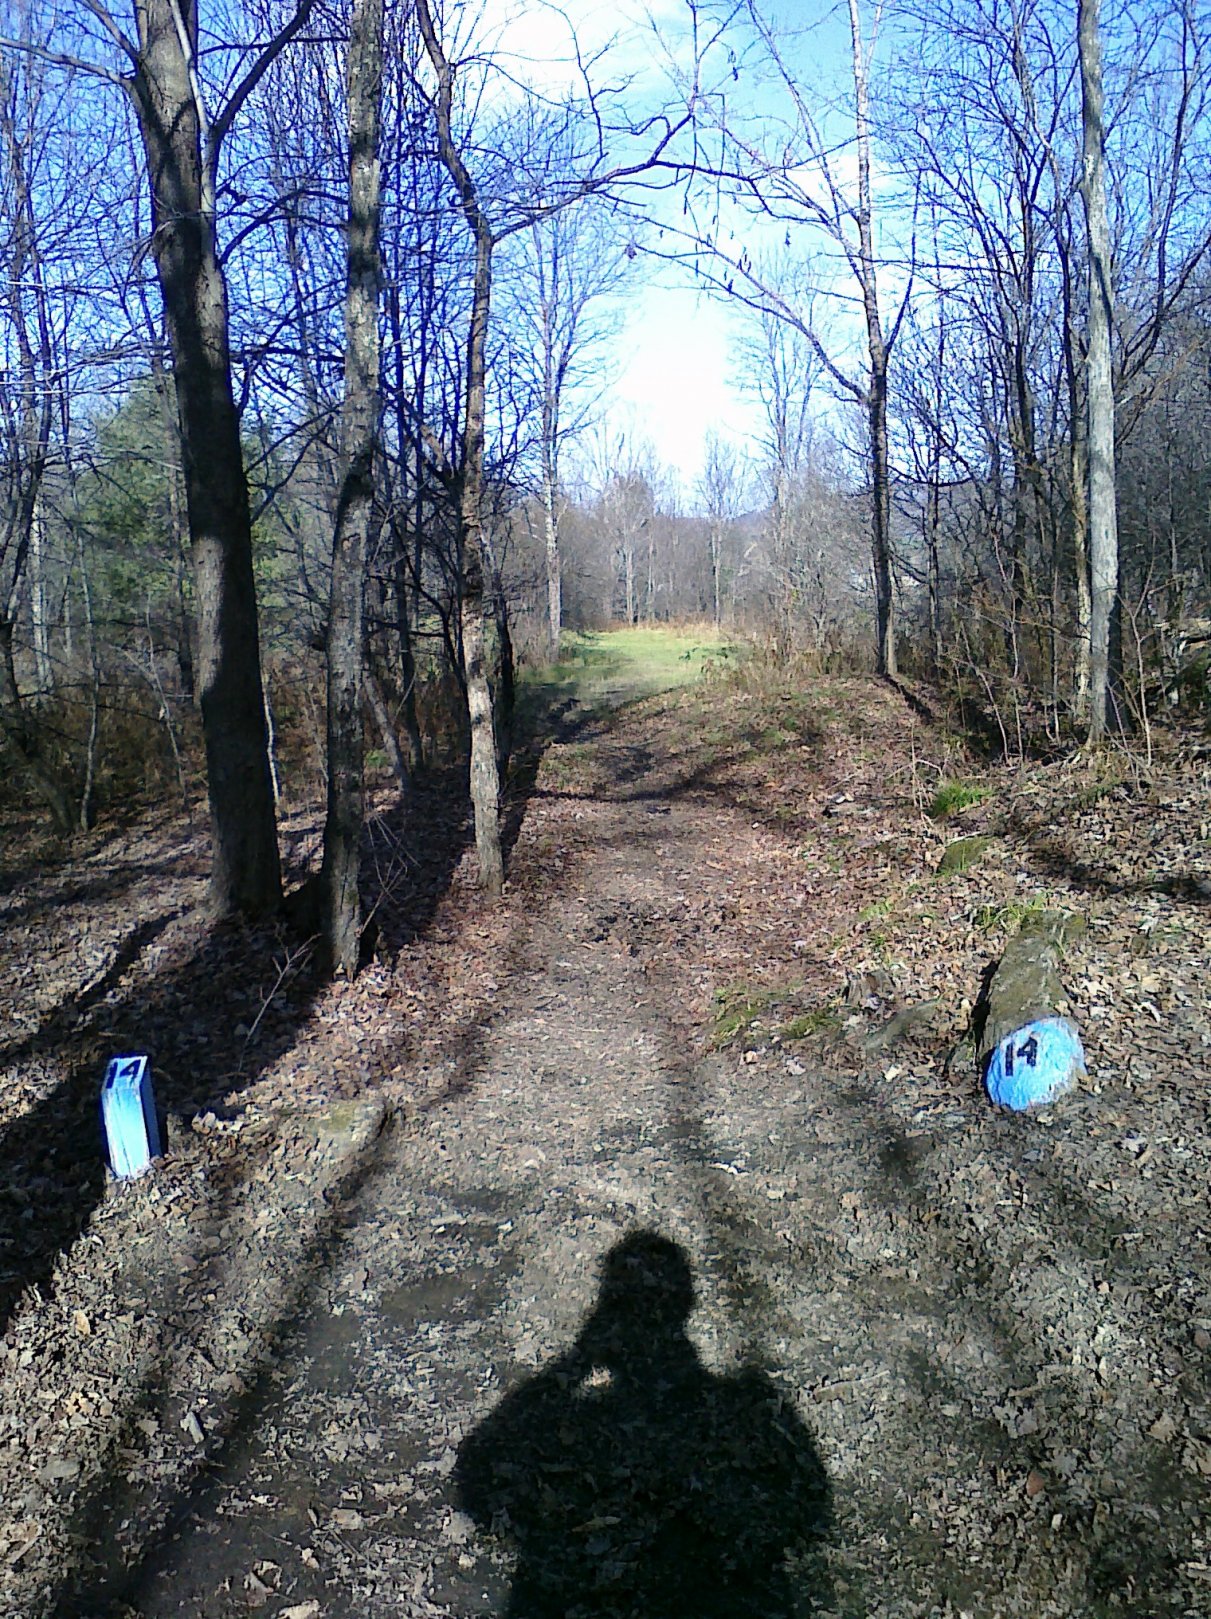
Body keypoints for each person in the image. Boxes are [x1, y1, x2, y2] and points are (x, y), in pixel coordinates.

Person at [457, 1230, 833, 1618]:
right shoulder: (748, 1407)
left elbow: (477, 1471)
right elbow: (809, 1515)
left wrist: (576, 1363)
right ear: (688, 1304)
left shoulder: (579, 1424)